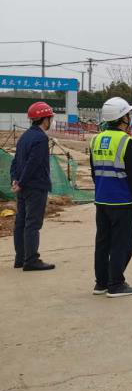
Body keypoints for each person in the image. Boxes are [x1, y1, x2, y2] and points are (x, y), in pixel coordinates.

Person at [90, 97, 132, 296]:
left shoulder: (95, 140)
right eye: (128, 114)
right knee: (122, 243)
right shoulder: (126, 141)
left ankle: (101, 283)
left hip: (101, 199)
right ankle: (116, 284)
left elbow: (94, 172)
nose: (130, 117)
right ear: (123, 118)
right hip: (122, 201)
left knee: (102, 242)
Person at [10, 102, 56, 271]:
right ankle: (31, 260)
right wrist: (21, 182)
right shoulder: (41, 139)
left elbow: (16, 161)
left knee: (21, 222)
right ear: (45, 119)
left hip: (23, 188)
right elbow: (33, 164)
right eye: (50, 118)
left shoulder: (25, 137)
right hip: (35, 187)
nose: (51, 121)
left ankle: (20, 258)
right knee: (32, 224)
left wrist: (15, 180)